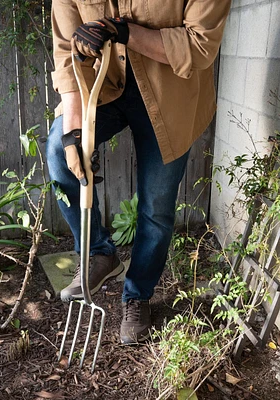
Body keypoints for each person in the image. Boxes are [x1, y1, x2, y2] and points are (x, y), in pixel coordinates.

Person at [46, 0, 232, 344]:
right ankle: (100, 255)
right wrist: (73, 130)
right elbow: (65, 44)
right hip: (104, 87)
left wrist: (126, 33)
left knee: (156, 208)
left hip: (171, 93)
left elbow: (200, 45)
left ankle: (137, 296)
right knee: (60, 153)